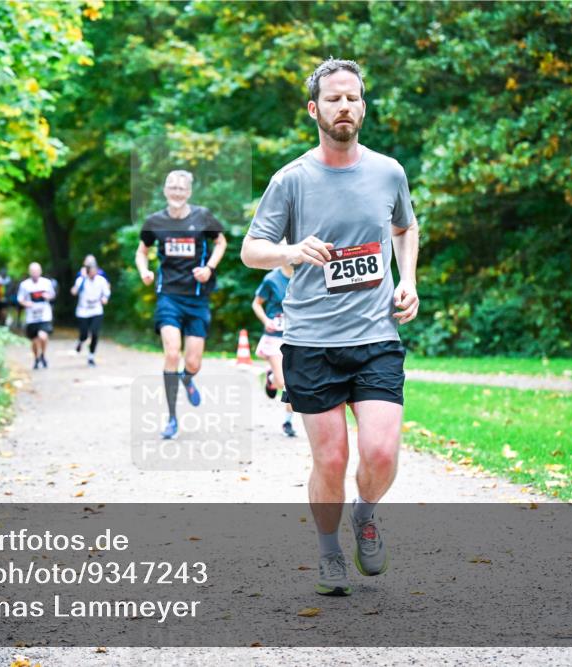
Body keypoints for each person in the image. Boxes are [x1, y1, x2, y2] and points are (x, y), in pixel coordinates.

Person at [240, 58, 420, 597]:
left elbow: (404, 227)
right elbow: (252, 250)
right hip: (311, 343)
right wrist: (290, 250)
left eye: (353, 98)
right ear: (315, 109)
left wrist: (407, 278)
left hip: (376, 337)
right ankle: (328, 552)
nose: (345, 106)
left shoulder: (388, 170)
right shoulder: (290, 179)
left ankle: (365, 515)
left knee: (382, 452)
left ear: (362, 106)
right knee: (332, 458)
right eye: (334, 98)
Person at [136, 170, 227, 440]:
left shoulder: (203, 217)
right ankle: (172, 418)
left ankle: (187, 378)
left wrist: (209, 267)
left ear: (188, 192)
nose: (176, 192)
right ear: (165, 190)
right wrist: (144, 271)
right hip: (169, 296)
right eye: (172, 187)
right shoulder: (154, 222)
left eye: (181, 188)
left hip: (197, 298)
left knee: (193, 362)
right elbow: (142, 251)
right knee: (172, 354)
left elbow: (221, 242)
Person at [252, 262, 297, 437]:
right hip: (274, 337)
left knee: (293, 382)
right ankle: (272, 377)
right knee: (282, 382)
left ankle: (288, 421)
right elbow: (256, 304)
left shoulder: (303, 276)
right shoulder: (271, 279)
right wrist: (266, 321)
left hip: (295, 337)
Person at [71, 256, 111, 367]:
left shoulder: (101, 280)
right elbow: (74, 292)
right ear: (87, 271)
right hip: (83, 311)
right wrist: (83, 279)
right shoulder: (81, 280)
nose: (93, 273)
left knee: (94, 333)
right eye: (91, 271)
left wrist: (105, 298)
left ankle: (91, 356)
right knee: (84, 334)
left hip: (96, 310)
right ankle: (80, 342)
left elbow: (106, 292)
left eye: (95, 271)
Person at [17, 262, 57, 370]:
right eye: (33, 271)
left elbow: (53, 295)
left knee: (43, 336)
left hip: (44, 315)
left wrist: (48, 296)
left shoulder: (46, 283)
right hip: (31, 317)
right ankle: (36, 358)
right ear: (30, 272)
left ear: (40, 271)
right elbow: (20, 299)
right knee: (34, 340)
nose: (35, 273)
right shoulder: (25, 285)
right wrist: (26, 304)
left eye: (37, 271)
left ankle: (43, 354)